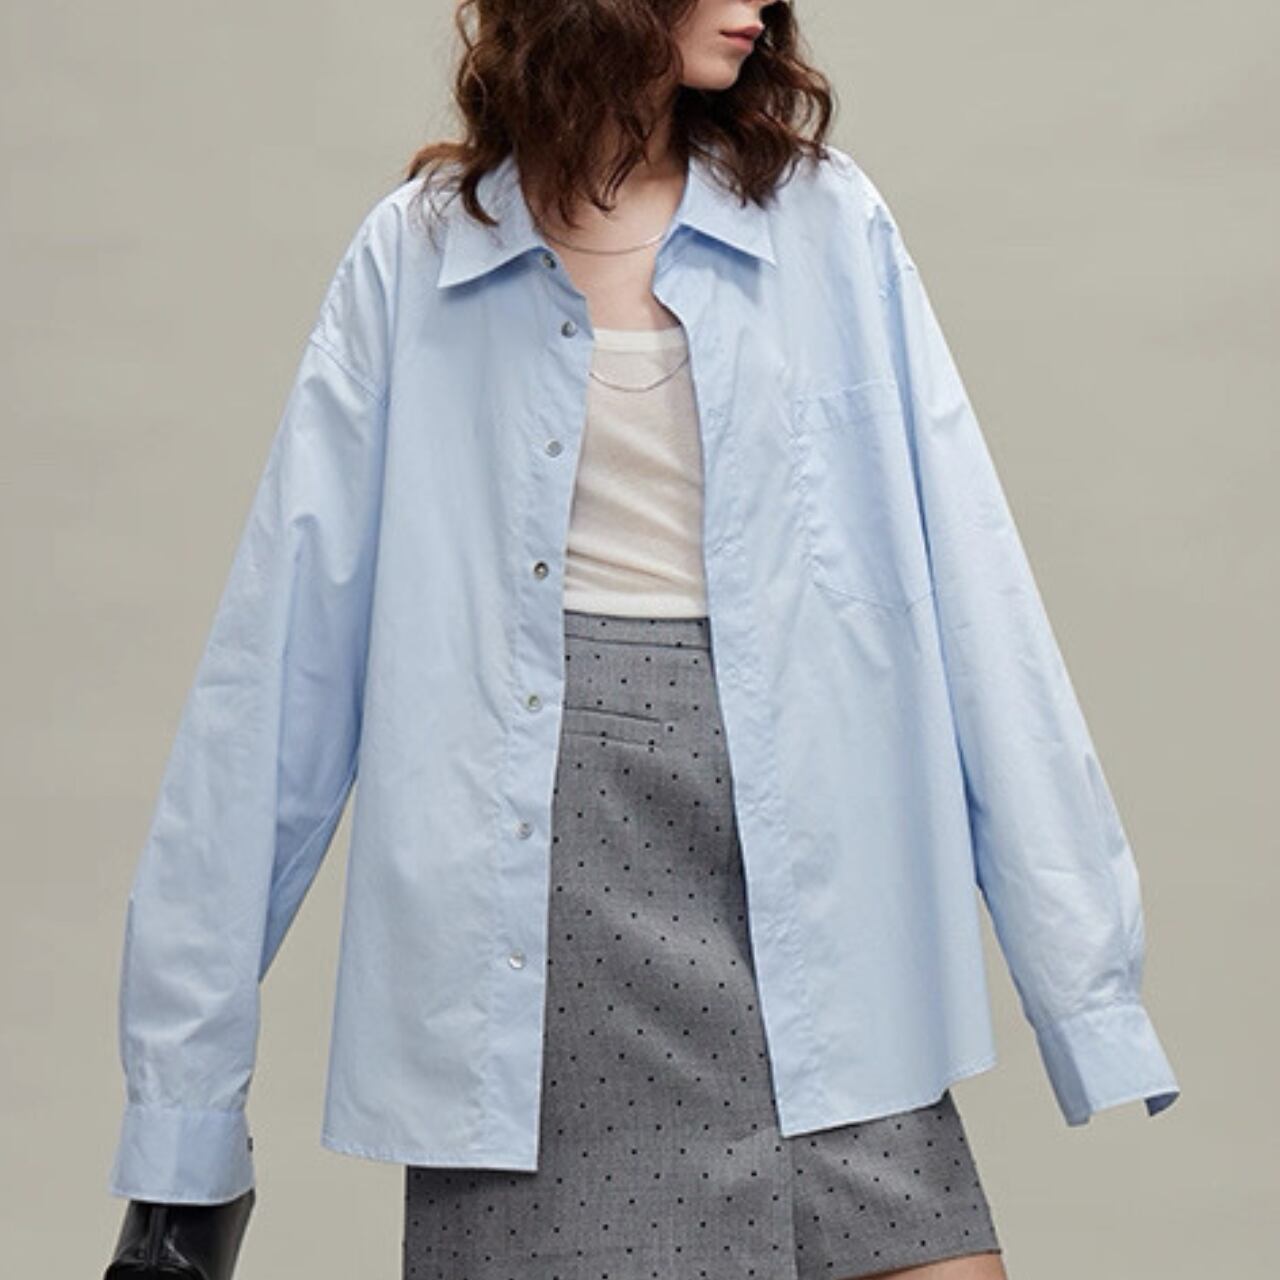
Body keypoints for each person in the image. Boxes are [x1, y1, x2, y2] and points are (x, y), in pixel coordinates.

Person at [105, 3, 1181, 1278]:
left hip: (809, 905)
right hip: (540, 933)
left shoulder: (827, 224)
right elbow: (275, 679)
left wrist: (1083, 981)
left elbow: (974, 588)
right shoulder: (419, 256)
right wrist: (182, 1113)